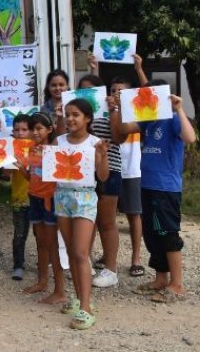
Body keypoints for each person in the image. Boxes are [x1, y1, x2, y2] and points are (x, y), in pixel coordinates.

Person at [112, 81, 196, 303]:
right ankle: (160, 279)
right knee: (152, 234)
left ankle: (177, 285)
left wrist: (179, 109)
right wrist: (120, 106)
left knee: (167, 234)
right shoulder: (147, 120)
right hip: (147, 185)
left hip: (165, 187)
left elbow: (190, 138)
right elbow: (121, 129)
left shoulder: (173, 118)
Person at [56, 99, 109, 330]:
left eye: (75, 114)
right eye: (67, 114)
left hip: (85, 197)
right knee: (70, 251)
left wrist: (103, 156)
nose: (70, 119)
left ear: (87, 118)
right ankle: (79, 298)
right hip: (62, 196)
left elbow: (104, 177)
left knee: (80, 252)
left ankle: (86, 308)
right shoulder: (58, 141)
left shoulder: (95, 142)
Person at [77, 71, 122, 289]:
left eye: (91, 90)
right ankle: (85, 263)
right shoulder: (75, 115)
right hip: (82, 172)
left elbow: (118, 137)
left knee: (106, 221)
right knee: (87, 219)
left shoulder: (108, 111)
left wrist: (113, 110)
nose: (87, 95)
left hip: (109, 169)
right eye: (82, 90)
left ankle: (111, 269)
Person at [15, 113, 65, 304]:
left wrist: (59, 118)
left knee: (52, 245)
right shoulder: (32, 149)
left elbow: (61, 135)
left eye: (39, 129)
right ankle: (42, 281)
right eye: (32, 129)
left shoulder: (54, 148)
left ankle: (59, 289)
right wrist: (22, 171)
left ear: (49, 129)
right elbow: (31, 176)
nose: (35, 132)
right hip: (34, 198)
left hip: (50, 200)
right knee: (41, 243)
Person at [109, 67, 147, 276]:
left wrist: (139, 68)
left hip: (132, 170)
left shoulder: (137, 112)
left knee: (134, 214)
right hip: (111, 168)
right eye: (114, 90)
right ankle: (108, 256)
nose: (116, 93)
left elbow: (148, 92)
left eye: (121, 91)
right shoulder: (107, 111)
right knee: (107, 217)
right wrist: (93, 67)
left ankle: (136, 259)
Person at [9, 115, 31, 281]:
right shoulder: (10, 147)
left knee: (42, 234)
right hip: (19, 198)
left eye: (24, 129)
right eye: (16, 130)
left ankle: (44, 263)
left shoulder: (38, 146)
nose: (20, 133)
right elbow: (6, 173)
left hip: (38, 197)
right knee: (19, 233)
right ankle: (18, 265)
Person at [40, 69, 69, 134]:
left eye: (61, 85)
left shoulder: (75, 106)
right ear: (48, 87)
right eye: (53, 85)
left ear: (67, 86)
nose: (57, 88)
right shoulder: (43, 110)